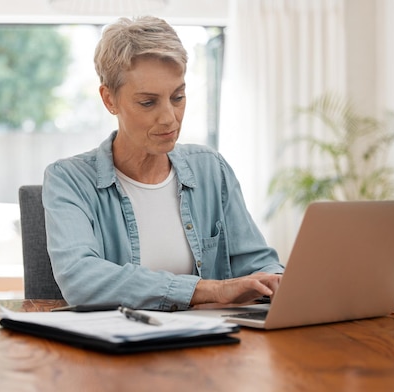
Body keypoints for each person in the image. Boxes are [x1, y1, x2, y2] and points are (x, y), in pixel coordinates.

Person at [42, 16, 284, 311]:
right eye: (148, 102)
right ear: (109, 100)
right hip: (122, 350)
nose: (169, 117)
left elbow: (257, 264)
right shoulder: (68, 180)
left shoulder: (211, 169)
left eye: (178, 97)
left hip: (213, 346)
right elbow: (81, 280)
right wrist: (211, 290)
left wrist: (280, 283)